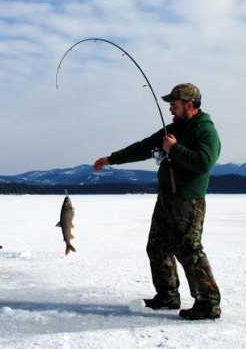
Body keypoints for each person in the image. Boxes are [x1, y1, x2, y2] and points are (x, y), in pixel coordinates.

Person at [93, 83, 222, 320]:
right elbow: (144, 147)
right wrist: (111, 159)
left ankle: (209, 303)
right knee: (157, 247)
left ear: (190, 105)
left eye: (175, 104)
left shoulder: (205, 130)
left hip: (188, 201)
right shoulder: (173, 128)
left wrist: (174, 149)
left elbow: (203, 162)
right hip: (166, 200)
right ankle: (167, 296)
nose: (171, 108)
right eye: (171, 104)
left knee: (190, 251)